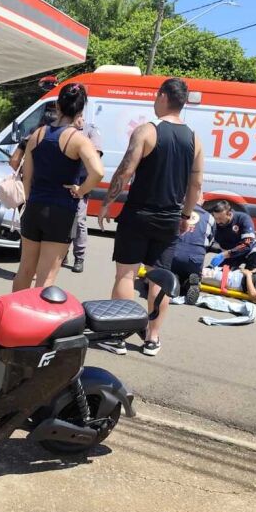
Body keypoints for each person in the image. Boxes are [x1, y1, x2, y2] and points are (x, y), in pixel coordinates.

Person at [98, 77, 204, 356]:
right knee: (160, 278)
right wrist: (187, 214)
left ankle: (118, 336)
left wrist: (107, 203)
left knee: (126, 273)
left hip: (138, 214)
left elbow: (125, 171)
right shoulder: (195, 139)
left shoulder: (147, 131)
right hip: (169, 218)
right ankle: (152, 339)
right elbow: (195, 185)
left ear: (163, 97)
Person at [12, 83, 104, 292]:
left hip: (34, 206)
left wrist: (29, 198)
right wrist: (80, 191)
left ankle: (14, 317)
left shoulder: (37, 134)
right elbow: (97, 172)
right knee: (46, 277)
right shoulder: (78, 140)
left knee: (25, 270)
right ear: (80, 111)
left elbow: (27, 176)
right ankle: (36, 321)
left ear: (57, 105)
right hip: (61, 211)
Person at [63, 117, 102, 273]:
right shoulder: (65, 129)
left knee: (79, 221)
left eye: (80, 115)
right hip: (64, 182)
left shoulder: (91, 130)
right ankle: (62, 252)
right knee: (62, 219)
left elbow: (96, 156)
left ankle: (79, 257)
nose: (78, 119)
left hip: (81, 183)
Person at [171, 201, 215, 304]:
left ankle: (174, 279)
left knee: (166, 272)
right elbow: (210, 240)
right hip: (195, 259)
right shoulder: (209, 217)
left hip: (174, 254)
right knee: (191, 273)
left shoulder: (176, 210)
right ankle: (190, 283)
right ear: (202, 201)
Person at [210, 201, 256, 271]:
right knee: (219, 273)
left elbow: (247, 244)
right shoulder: (214, 222)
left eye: (220, 219)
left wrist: (225, 254)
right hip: (230, 254)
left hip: (249, 250)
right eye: (216, 218)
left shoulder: (243, 218)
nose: (218, 222)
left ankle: (251, 276)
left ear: (229, 214)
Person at [8, 102, 57, 172]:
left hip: (30, 180)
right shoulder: (63, 141)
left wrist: (25, 173)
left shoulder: (30, 137)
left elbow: (14, 162)